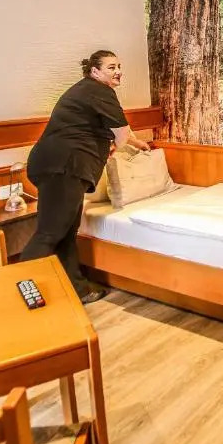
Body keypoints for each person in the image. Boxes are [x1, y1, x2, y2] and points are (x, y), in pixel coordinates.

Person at [21, 50, 150, 304]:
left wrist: (136, 144)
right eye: (111, 67)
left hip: (60, 167)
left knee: (67, 231)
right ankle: (18, 288)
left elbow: (122, 132)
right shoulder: (99, 90)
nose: (118, 71)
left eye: (119, 66)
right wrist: (119, 146)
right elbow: (121, 135)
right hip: (63, 167)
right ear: (95, 71)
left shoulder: (91, 91)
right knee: (49, 233)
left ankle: (78, 289)